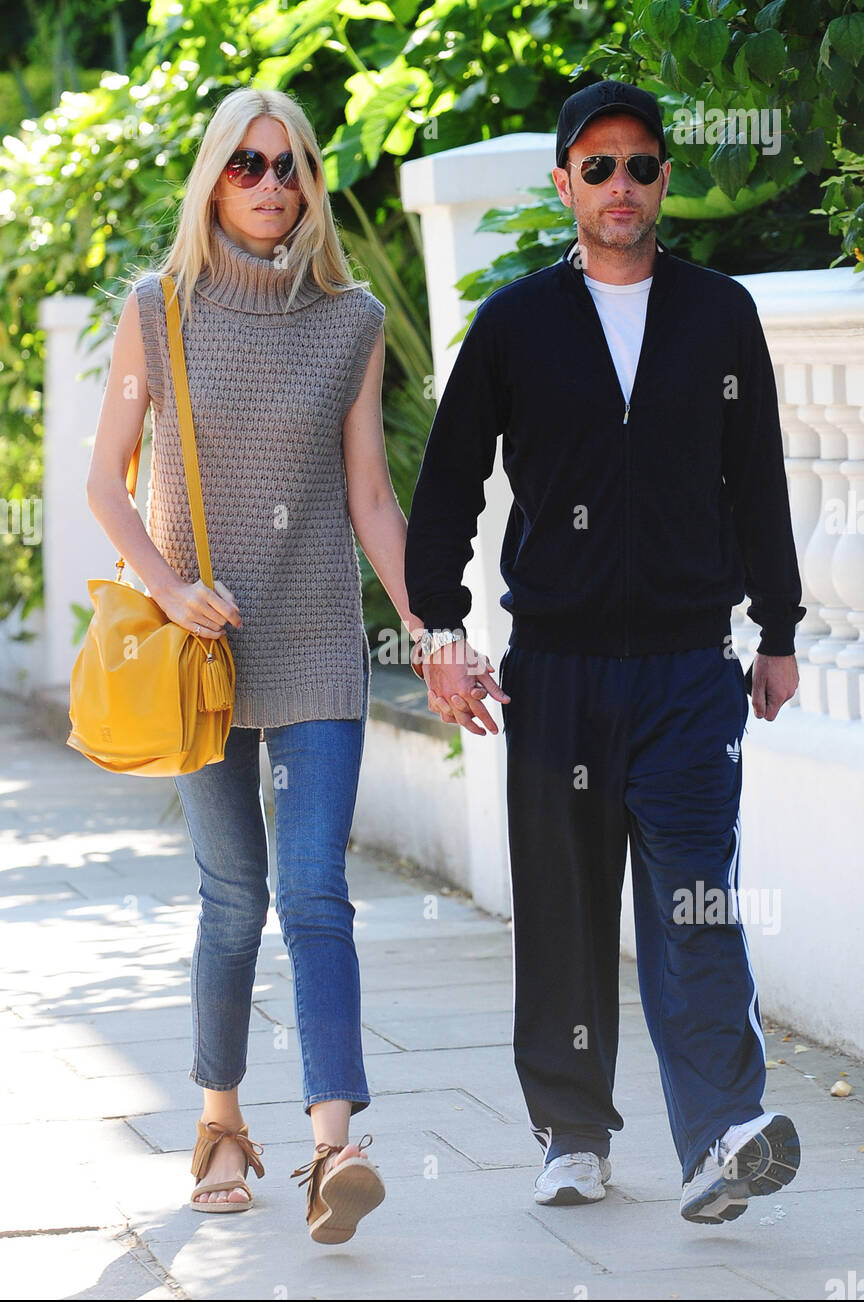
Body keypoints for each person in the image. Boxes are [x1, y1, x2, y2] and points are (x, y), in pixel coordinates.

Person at [405, 80, 804, 1225]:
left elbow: (760, 479)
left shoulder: (718, 313)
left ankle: (723, 1131)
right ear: (565, 183)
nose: (620, 185)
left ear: (666, 179)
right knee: (568, 905)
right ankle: (573, 1133)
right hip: (560, 667)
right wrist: (441, 628)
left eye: (640, 165)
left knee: (695, 898)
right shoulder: (517, 322)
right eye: (598, 166)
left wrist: (777, 628)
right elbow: (448, 488)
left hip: (687, 663)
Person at [86, 87, 424, 1241]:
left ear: (312, 183)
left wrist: (427, 626)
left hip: (319, 635)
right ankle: (222, 1122)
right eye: (248, 164)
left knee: (314, 889)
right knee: (233, 899)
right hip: (202, 653)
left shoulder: (352, 321)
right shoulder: (158, 307)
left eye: (291, 166)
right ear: (215, 179)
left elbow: (371, 497)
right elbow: (105, 480)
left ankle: (336, 1149)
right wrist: (173, 589)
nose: (273, 183)